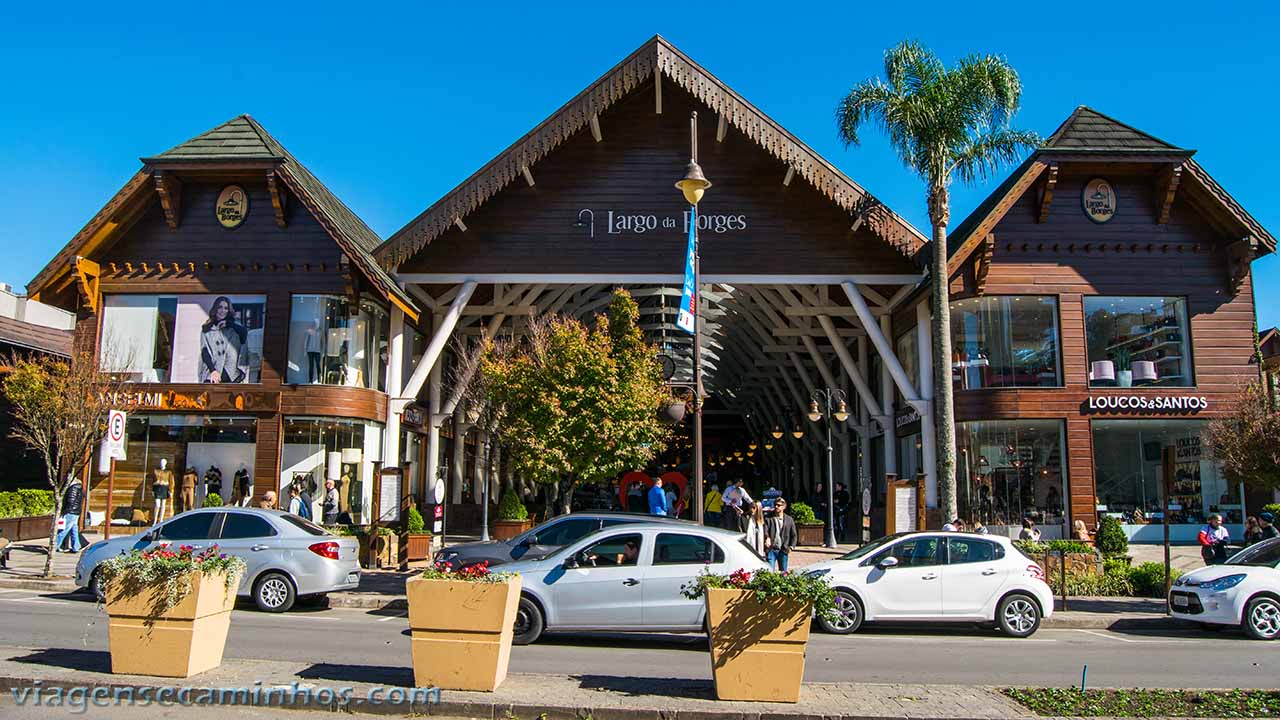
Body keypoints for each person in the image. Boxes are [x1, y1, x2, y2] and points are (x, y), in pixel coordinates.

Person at [200, 295, 248, 384]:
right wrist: (213, 370)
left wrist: (229, 324)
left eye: (226, 308)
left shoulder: (234, 327)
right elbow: (204, 351)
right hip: (213, 371)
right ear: (215, 309)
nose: (223, 311)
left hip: (232, 374)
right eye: (220, 307)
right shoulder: (207, 328)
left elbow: (244, 335)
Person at [765, 498, 798, 571]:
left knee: (783, 572)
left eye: (779, 505)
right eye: (775, 505)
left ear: (784, 507)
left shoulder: (789, 519)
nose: (776, 507)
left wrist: (791, 547)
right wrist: (767, 538)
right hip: (771, 549)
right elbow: (765, 530)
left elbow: (794, 535)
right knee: (769, 571)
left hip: (783, 549)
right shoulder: (768, 518)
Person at [56, 476, 84, 553]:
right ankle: (76, 546)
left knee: (63, 529)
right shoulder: (80, 488)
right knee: (73, 529)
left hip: (70, 511)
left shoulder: (73, 488)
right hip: (76, 512)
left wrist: (65, 510)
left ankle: (55, 545)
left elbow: (70, 500)